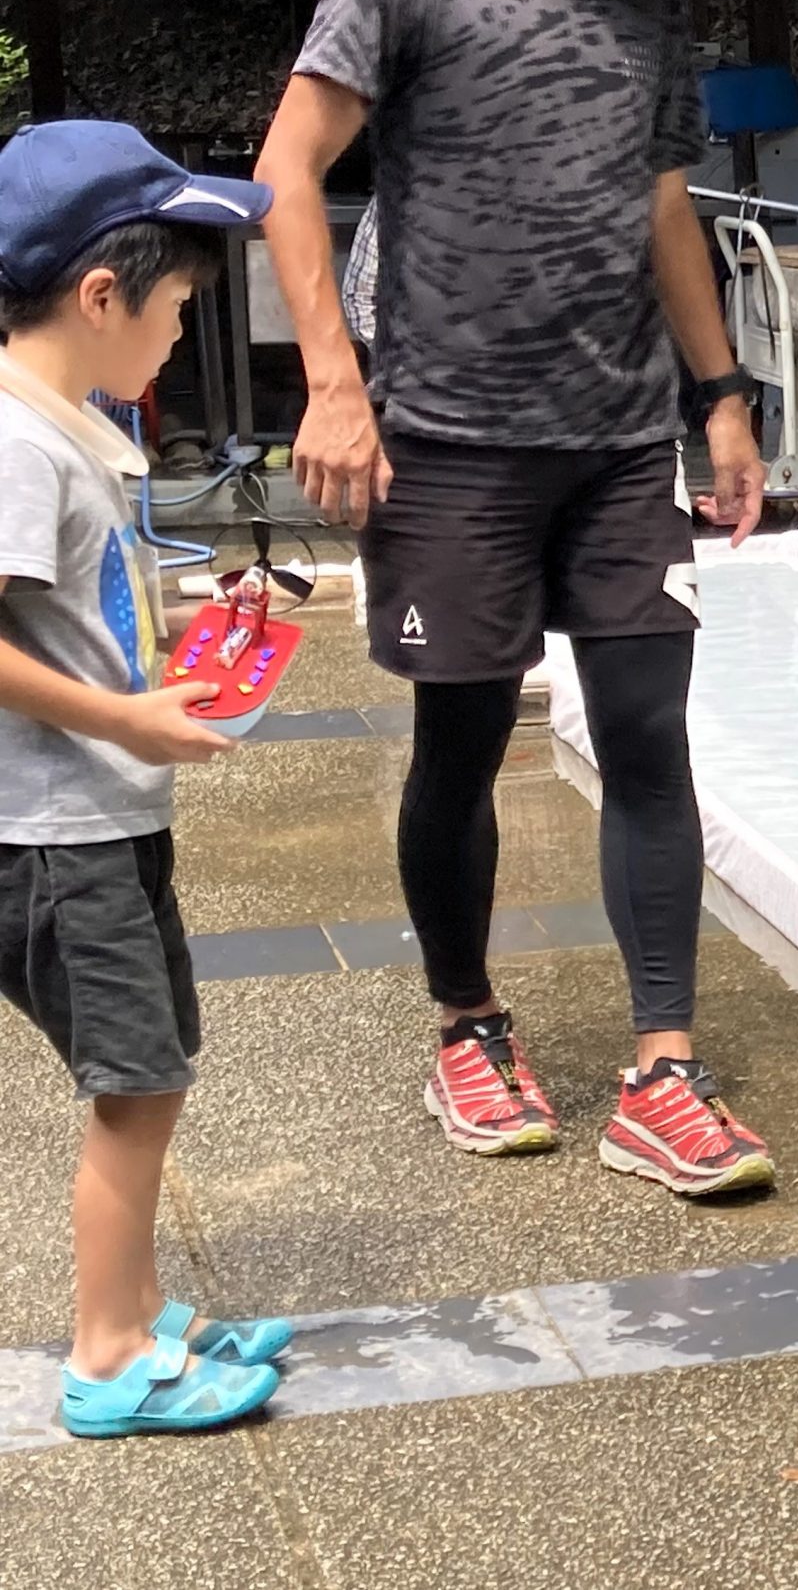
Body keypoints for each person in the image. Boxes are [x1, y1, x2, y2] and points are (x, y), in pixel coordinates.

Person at [254, 0, 781, 1196]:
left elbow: (660, 201)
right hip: (450, 437)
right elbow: (289, 170)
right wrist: (334, 387)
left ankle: (664, 1068)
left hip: (616, 434)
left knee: (648, 737)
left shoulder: (649, 2)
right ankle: (467, 1022)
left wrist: (721, 393)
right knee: (463, 741)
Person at [0, 122, 294, 1436]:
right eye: (177, 307)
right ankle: (108, 1355)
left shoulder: (72, 426)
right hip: (54, 830)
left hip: (102, 814)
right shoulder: (16, 440)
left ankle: (141, 1305)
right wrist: (123, 715)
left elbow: (76, 601)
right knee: (135, 1086)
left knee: (153, 1065)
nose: (180, 336)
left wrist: (201, 623)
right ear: (101, 292)